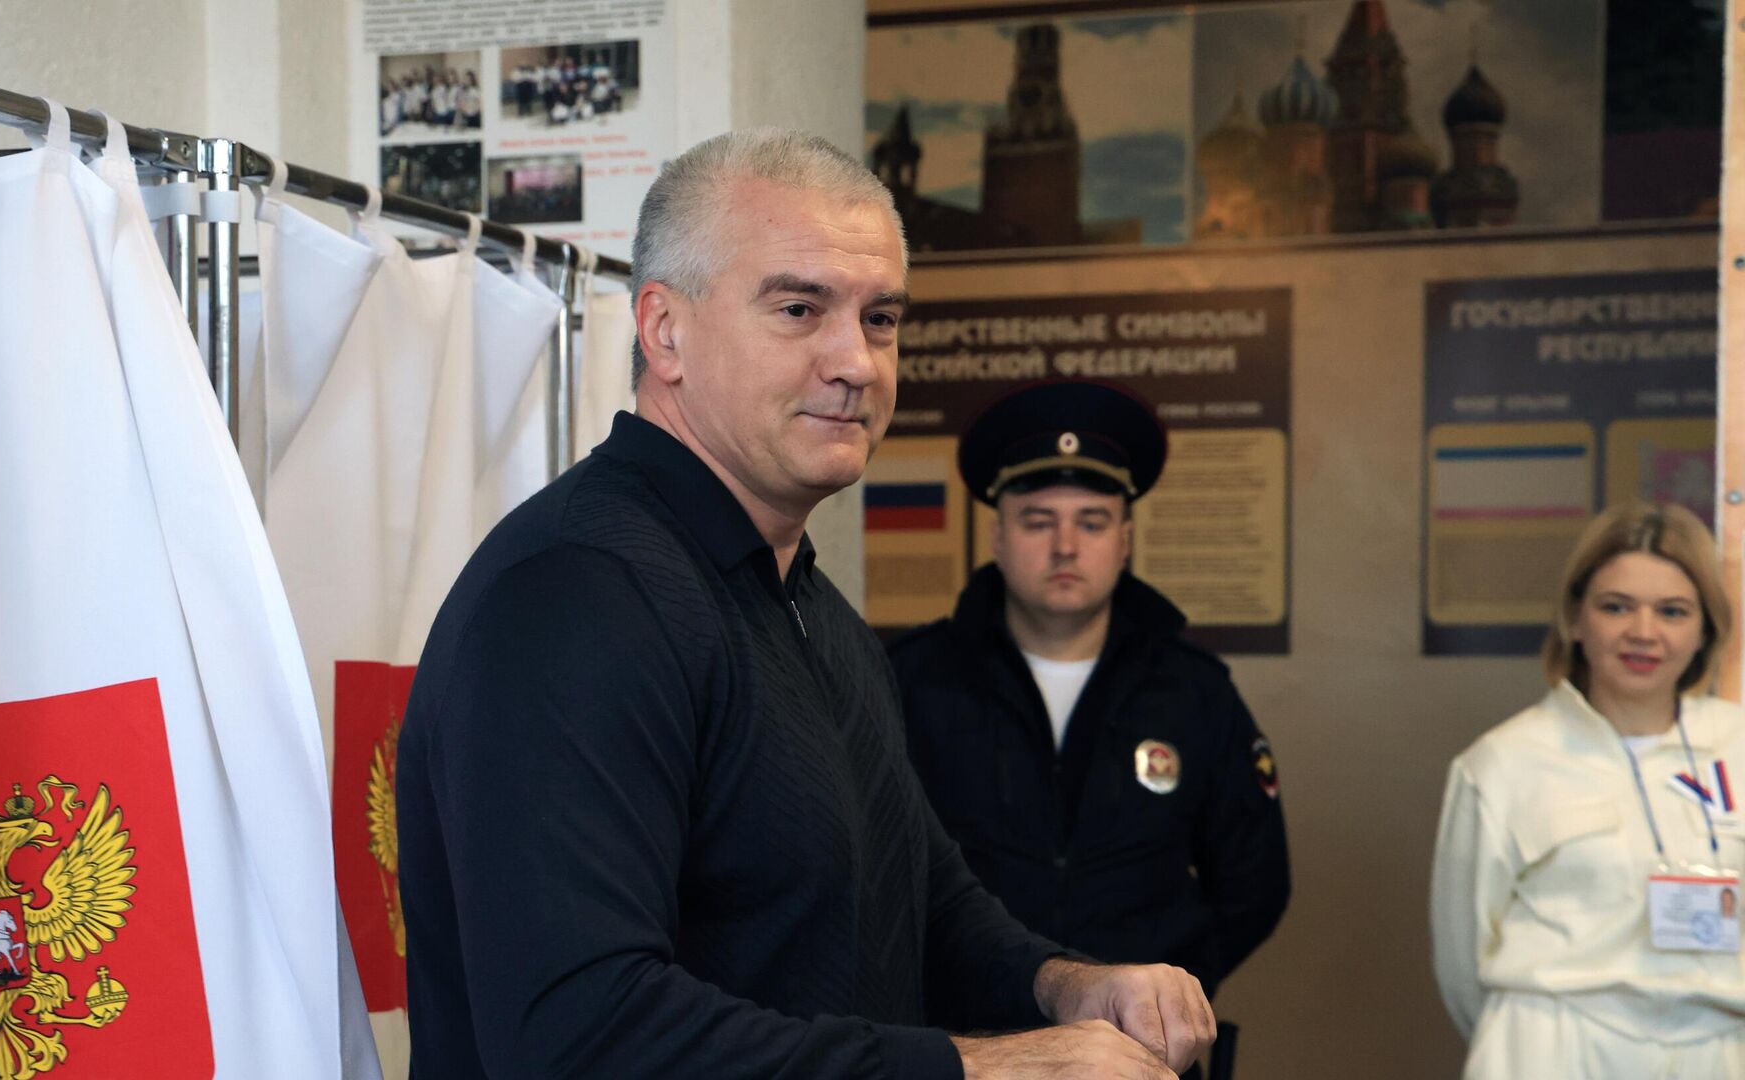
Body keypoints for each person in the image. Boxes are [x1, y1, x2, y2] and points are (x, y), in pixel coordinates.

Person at [397, 129, 1216, 1080]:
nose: (857, 361)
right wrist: (988, 1070)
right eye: (799, 309)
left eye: (881, 319)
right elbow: (583, 1034)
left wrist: (1064, 986)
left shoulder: (815, 611)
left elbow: (917, 900)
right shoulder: (574, 595)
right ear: (664, 331)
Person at [889, 383, 1291, 1047]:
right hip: (968, 1048)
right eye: (1038, 520)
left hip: (1140, 1053)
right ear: (997, 535)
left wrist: (1173, 984)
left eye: (1093, 522)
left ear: (1125, 539)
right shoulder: (914, 681)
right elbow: (878, 869)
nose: (1066, 546)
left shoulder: (1193, 691)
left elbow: (1256, 882)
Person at [1432, 501, 1745, 1078]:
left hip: (1716, 1048)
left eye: (1672, 611)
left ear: (1705, 630)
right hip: (1550, 1045)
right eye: (1616, 607)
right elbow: (1460, 960)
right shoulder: (1502, 763)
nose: (1643, 633)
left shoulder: (1738, 747)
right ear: (1575, 621)